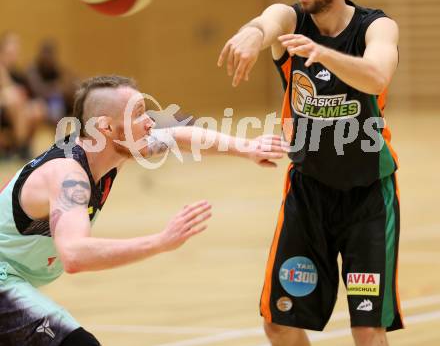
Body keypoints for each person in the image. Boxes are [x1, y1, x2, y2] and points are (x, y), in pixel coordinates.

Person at [0, 74, 287, 346]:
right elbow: (74, 255)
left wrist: (246, 147)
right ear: (106, 127)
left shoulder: (108, 150)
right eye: (137, 113)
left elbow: (178, 136)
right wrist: (160, 242)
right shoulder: (69, 177)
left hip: (14, 278)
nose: (149, 121)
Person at [218, 0, 402, 346]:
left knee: (368, 328)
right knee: (278, 322)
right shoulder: (291, 19)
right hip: (308, 196)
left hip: (369, 199)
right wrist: (252, 33)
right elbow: (269, 20)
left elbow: (377, 76)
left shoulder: (376, 25)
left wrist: (324, 54)